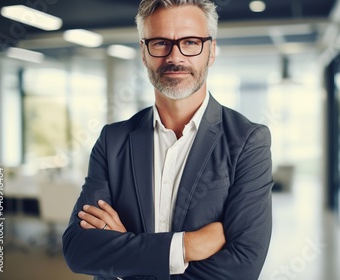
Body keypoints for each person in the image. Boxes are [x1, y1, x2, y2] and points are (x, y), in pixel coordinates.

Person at [62, 0, 273, 279]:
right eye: (160, 43)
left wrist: (127, 257)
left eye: (190, 42)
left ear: (210, 51)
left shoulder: (248, 141)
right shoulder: (112, 141)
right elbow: (79, 250)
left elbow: (242, 268)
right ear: (143, 52)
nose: (175, 57)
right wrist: (186, 246)